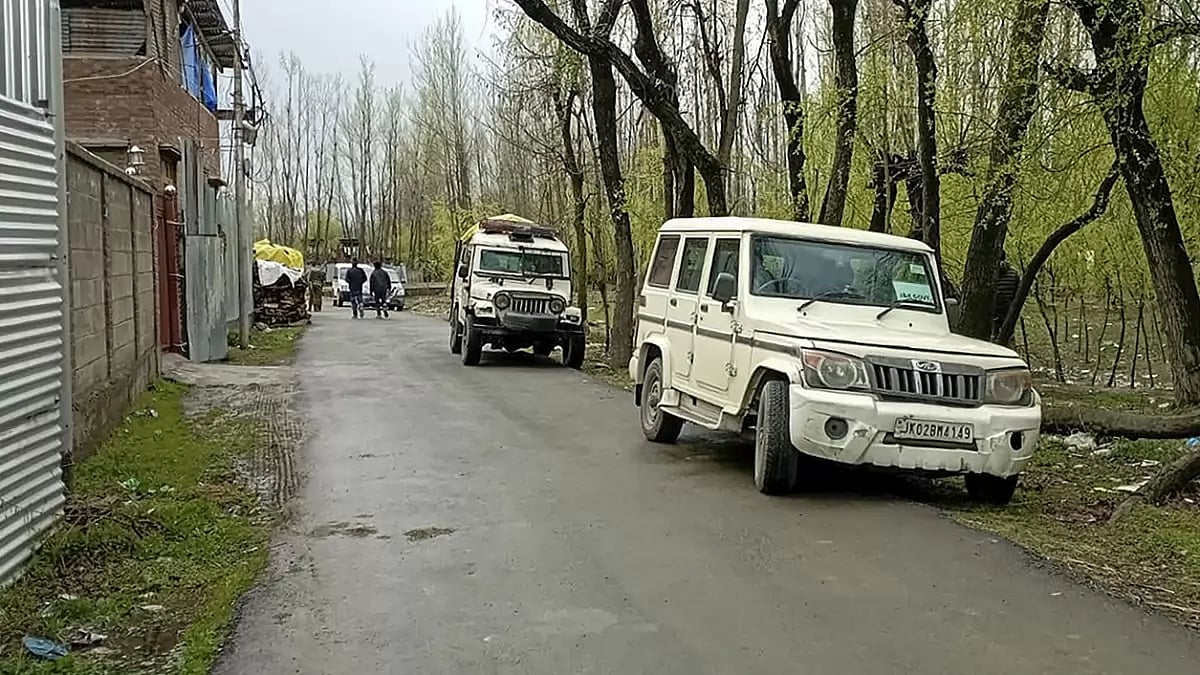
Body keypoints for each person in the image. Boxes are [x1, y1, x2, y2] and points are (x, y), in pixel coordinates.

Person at [993, 251, 1020, 339]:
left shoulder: (991, 273)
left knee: (994, 335)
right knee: (1009, 334)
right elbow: (1018, 292)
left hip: (994, 309)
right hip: (1009, 308)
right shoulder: (1013, 273)